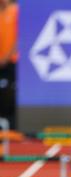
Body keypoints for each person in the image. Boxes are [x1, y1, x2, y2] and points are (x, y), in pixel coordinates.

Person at [0, 0, 16, 130]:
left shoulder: (16, 10)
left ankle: (12, 127)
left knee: (11, 94)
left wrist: (7, 57)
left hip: (13, 61)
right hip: (2, 62)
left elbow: (20, 36)